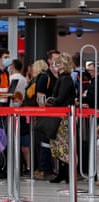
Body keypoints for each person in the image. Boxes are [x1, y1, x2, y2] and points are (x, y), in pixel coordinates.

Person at [45, 52, 76, 183]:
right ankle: (63, 173)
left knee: (63, 145)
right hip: (62, 115)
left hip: (63, 116)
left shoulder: (65, 79)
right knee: (60, 145)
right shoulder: (63, 78)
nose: (57, 64)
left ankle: (66, 174)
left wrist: (50, 100)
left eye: (59, 62)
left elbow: (60, 98)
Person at [34, 49, 60, 180]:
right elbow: (39, 97)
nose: (57, 61)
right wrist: (44, 109)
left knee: (55, 142)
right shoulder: (45, 76)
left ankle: (53, 169)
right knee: (46, 142)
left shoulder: (60, 76)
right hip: (47, 114)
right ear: (49, 60)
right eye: (55, 59)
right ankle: (45, 169)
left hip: (59, 114)